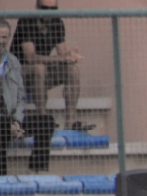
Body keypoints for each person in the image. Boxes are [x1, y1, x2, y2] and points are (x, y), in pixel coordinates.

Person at [0, 18, 57, 176]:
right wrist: (7, 122)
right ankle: (0, 178)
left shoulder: (14, 62)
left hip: (11, 120)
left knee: (46, 121)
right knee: (0, 127)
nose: (1, 41)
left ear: (8, 38)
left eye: (4, 37)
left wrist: (16, 120)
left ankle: (34, 171)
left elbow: (20, 97)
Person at [11, 0, 93, 132]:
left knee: (72, 70)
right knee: (39, 68)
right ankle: (43, 120)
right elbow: (30, 58)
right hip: (18, 75)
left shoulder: (57, 23)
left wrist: (70, 57)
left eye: (53, 9)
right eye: (45, 8)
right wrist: (61, 58)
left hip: (41, 74)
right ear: (37, 8)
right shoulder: (26, 22)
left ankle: (70, 123)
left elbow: (62, 54)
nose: (49, 13)